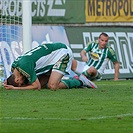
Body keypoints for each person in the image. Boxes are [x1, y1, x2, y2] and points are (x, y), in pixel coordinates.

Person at [3, 42, 97, 90]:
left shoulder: (24, 66)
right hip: (51, 57)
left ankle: (80, 81)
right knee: (42, 85)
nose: (22, 84)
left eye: (20, 84)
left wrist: (15, 88)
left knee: (52, 86)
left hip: (61, 54)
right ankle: (62, 78)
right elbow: (11, 80)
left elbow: (37, 86)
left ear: (17, 80)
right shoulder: (14, 66)